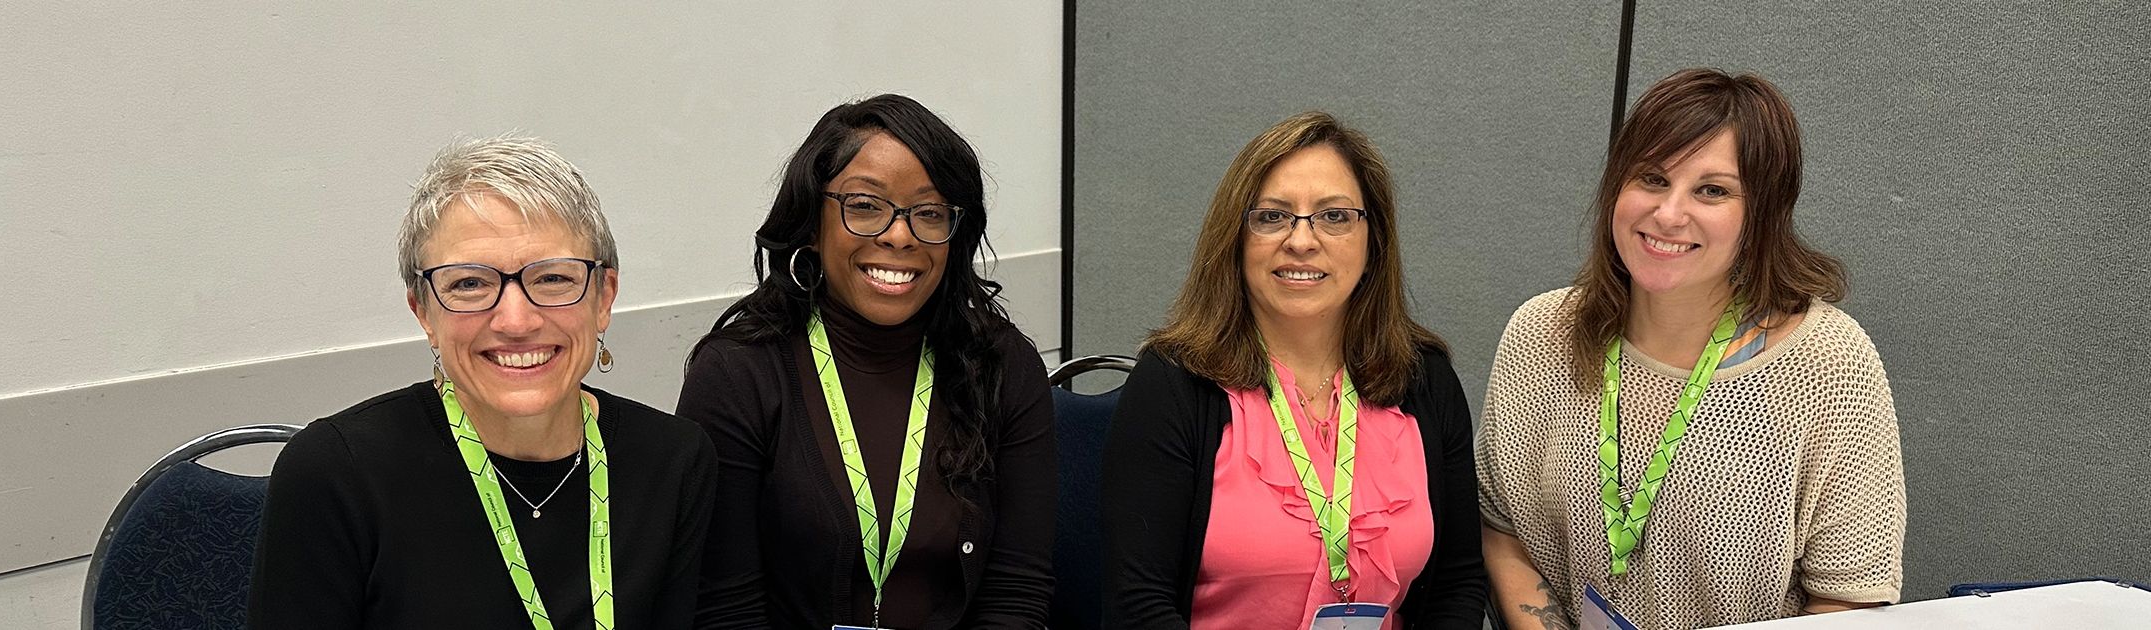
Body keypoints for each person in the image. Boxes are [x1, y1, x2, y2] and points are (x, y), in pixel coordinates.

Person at [1476, 69, 1906, 630]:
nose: (1669, 214)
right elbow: (1502, 530)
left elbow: (1849, 599)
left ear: (1763, 213)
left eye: (1712, 190)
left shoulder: (1828, 364)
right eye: (1652, 178)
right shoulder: (1541, 333)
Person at [248, 136, 718, 628]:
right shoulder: (335, 473)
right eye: (469, 283)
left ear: (603, 298)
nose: (516, 321)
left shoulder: (674, 462)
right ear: (423, 312)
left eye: (552, 279)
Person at [677, 94, 1055, 629]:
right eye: (865, 206)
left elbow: (1018, 592)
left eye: (929, 213)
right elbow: (725, 611)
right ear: (813, 223)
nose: (899, 235)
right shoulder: (738, 374)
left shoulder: (1002, 364)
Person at [1099, 111, 1487, 629]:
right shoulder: (1172, 383)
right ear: (1236, 239)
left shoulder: (1424, 378)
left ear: (1373, 240)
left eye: (1334, 216)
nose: (1301, 241)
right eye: (1272, 217)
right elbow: (1136, 605)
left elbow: (1458, 583)